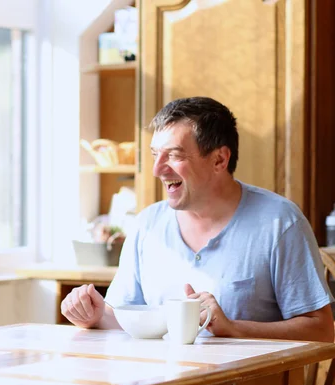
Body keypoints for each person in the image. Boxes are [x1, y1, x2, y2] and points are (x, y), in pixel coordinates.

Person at [62, 97, 334, 342]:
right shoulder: (147, 225)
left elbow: (321, 330)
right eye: (156, 154)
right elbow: (122, 320)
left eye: (175, 155)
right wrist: (94, 316)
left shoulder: (280, 222)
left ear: (219, 160)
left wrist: (234, 328)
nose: (157, 169)